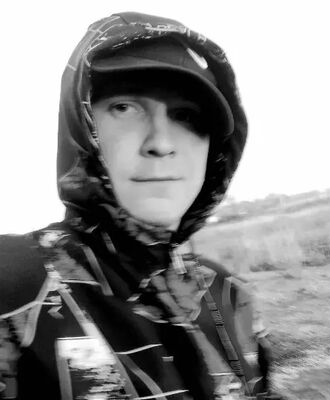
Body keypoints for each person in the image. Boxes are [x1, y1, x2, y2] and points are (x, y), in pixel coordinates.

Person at [0, 11, 281, 400]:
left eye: (186, 115)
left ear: (214, 149)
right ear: (81, 122)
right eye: (125, 107)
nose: (161, 143)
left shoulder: (228, 293)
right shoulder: (11, 282)